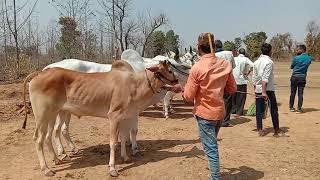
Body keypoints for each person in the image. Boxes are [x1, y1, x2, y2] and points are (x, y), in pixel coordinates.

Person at [171, 32, 236, 180]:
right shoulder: (225, 64)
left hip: (205, 115)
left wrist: (181, 89)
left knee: (211, 149)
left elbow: (188, 97)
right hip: (219, 113)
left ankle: (215, 177)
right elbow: (232, 89)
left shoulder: (197, 68)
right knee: (210, 145)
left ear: (199, 48)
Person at [252, 43, 281, 137]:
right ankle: (276, 129)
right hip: (267, 90)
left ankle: (260, 129)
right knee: (273, 109)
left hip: (258, 89)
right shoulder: (269, 62)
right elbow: (265, 78)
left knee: (259, 110)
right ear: (270, 51)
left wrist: (256, 90)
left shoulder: (256, 62)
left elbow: (254, 78)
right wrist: (264, 92)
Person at [214, 40, 236, 127]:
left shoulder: (213, 55)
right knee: (228, 101)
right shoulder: (229, 53)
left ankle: (217, 119)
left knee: (217, 101)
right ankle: (225, 121)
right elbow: (233, 66)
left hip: (216, 81)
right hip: (228, 80)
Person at [289, 45, 312, 113]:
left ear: (302, 50)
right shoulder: (309, 58)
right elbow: (309, 61)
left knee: (293, 92)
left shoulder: (296, 58)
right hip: (302, 77)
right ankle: (299, 108)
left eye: (298, 50)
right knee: (300, 94)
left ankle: (291, 107)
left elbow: (292, 66)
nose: (296, 51)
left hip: (295, 77)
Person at [232, 48, 254, 116]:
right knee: (241, 96)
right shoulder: (245, 59)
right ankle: (239, 111)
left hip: (233, 79)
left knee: (234, 95)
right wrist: (248, 72)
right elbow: (253, 65)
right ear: (244, 53)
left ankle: (233, 110)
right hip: (241, 80)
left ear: (238, 53)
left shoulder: (234, 58)